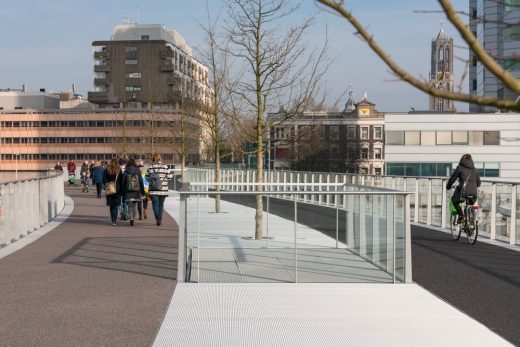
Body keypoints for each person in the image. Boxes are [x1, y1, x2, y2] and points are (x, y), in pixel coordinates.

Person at [446, 154, 481, 224]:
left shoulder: (460, 168)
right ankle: (472, 224)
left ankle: (461, 215)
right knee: (470, 204)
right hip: (474, 193)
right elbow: (479, 183)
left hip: (463, 192)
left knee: (454, 200)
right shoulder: (475, 169)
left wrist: (448, 186)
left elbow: (452, 179)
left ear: (462, 160)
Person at [147, 154, 173, 226]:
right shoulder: (165, 166)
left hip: (153, 190)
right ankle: (160, 218)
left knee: (155, 204)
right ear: (160, 158)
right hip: (163, 189)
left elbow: (146, 177)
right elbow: (170, 177)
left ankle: (157, 217)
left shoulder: (150, 166)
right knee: (161, 204)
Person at [122, 159, 145, 226]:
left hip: (128, 191)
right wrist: (143, 192)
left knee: (129, 206)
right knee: (134, 206)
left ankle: (131, 218)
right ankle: (134, 220)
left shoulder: (126, 171)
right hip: (136, 191)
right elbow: (141, 181)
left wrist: (123, 192)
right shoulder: (138, 170)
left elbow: (123, 182)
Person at [103, 159, 123, 226]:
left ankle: (113, 220)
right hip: (117, 189)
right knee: (116, 205)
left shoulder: (107, 169)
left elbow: (104, 179)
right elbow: (121, 180)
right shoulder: (119, 170)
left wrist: (107, 183)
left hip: (109, 188)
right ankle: (114, 220)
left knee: (111, 205)